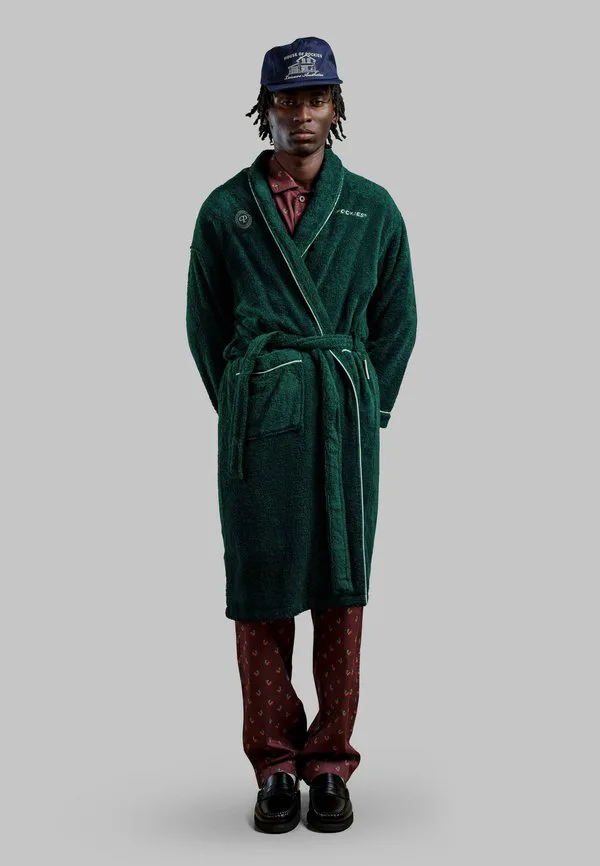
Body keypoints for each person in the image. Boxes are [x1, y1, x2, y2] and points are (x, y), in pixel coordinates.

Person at [186, 35, 417, 833]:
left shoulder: (373, 209)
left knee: (340, 589)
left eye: (317, 99)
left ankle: (330, 762)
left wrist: (367, 406)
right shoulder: (226, 212)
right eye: (288, 101)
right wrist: (247, 401)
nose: (303, 115)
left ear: (336, 107)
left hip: (344, 419)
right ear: (266, 110)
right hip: (262, 427)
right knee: (262, 590)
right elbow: (204, 324)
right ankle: (275, 764)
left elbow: (398, 320)